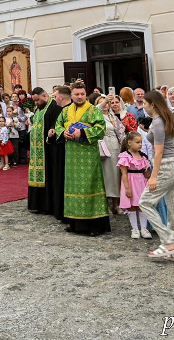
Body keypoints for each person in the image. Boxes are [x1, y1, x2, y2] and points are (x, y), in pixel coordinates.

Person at [138, 90, 174, 263]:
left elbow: (159, 152)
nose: (143, 106)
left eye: (145, 103)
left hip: (166, 166)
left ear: (152, 104)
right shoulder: (165, 119)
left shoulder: (159, 122)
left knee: (144, 202)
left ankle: (168, 240)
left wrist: (153, 176)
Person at [55, 82, 110, 237]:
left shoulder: (93, 111)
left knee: (90, 187)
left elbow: (101, 129)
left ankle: (95, 225)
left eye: (82, 94)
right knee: (72, 188)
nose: (79, 97)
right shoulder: (65, 111)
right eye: (76, 94)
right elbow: (58, 125)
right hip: (71, 156)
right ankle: (74, 223)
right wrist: (63, 132)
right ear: (71, 95)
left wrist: (83, 133)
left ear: (86, 95)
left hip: (88, 156)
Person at [117, 131, 152, 239]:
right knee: (132, 206)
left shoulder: (143, 156)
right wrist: (127, 188)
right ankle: (135, 229)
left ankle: (144, 228)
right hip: (130, 182)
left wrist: (148, 172)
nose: (140, 144)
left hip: (141, 182)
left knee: (142, 205)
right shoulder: (125, 156)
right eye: (137, 142)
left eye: (141, 142)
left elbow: (146, 173)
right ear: (130, 142)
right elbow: (124, 173)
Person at [45, 86, 70, 221]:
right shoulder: (61, 110)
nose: (54, 99)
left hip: (67, 149)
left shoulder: (70, 110)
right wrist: (51, 133)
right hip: (58, 147)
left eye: (55, 96)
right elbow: (57, 126)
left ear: (60, 97)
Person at [96, 95, 124, 216]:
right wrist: (104, 100)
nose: (106, 105)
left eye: (107, 103)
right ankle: (105, 204)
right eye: (103, 103)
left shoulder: (113, 117)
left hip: (115, 147)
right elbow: (95, 109)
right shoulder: (96, 115)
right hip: (102, 146)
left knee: (115, 175)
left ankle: (116, 204)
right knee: (105, 175)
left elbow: (121, 131)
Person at [27, 87, 52, 211]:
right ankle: (36, 204)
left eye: (37, 100)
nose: (36, 103)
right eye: (34, 101)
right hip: (36, 151)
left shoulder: (52, 108)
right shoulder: (38, 109)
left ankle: (45, 205)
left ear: (45, 96)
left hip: (46, 150)